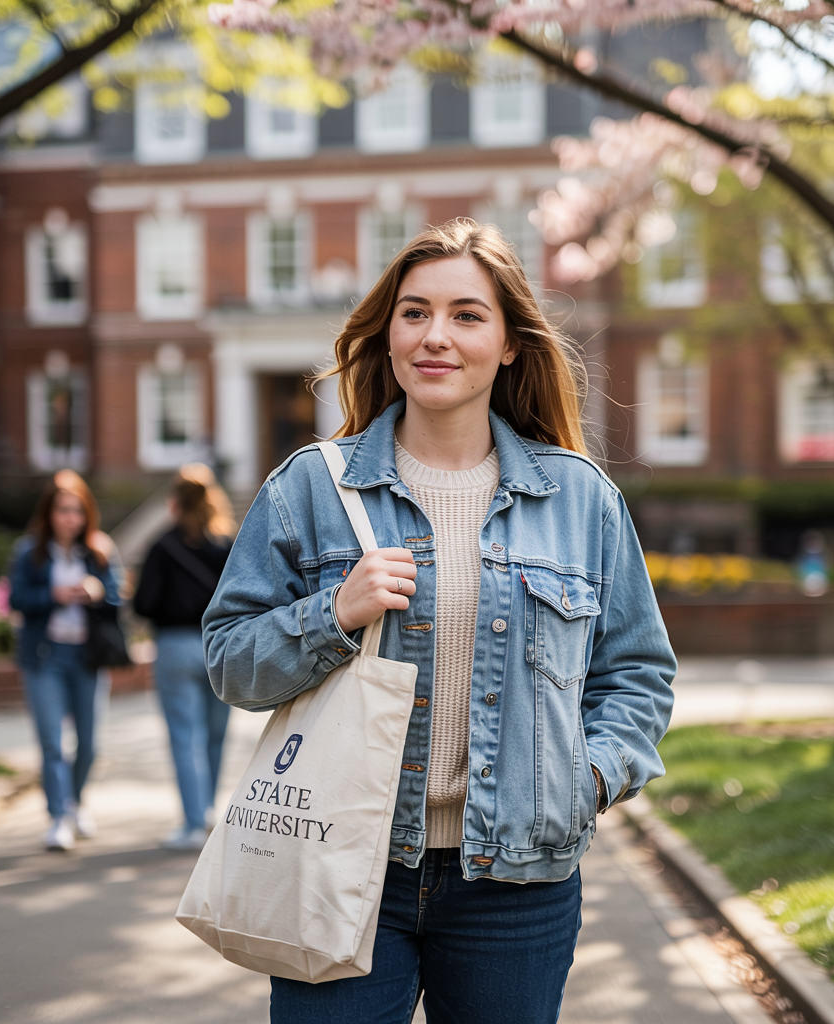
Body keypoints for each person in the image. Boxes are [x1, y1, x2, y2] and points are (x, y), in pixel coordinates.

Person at [204, 219, 676, 1024]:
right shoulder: (310, 489)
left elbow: (636, 675)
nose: (436, 336)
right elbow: (228, 662)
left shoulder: (581, 501)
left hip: (518, 887)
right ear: (387, 335)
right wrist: (334, 613)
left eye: (466, 315)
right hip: (341, 865)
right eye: (415, 312)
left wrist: (586, 778)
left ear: (508, 344)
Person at [9, 469, 122, 852]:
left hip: (87, 657)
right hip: (44, 656)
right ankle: (58, 816)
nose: (69, 518)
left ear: (86, 513)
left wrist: (97, 590)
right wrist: (53, 594)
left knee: (90, 744)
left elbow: (118, 597)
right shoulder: (29, 551)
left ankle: (75, 802)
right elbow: (16, 599)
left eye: (76, 510)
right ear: (49, 513)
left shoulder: (100, 549)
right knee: (52, 742)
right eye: (62, 510)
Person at [134, 465, 236, 851]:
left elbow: (143, 603)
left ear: (174, 502)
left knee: (184, 737)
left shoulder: (163, 545)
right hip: (219, 647)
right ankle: (208, 810)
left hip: (176, 646)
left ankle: (193, 823)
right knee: (215, 735)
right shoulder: (226, 544)